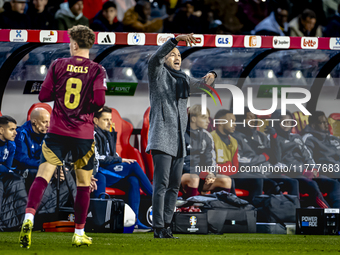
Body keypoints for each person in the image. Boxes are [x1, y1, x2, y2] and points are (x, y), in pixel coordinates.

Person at [19, 25, 106, 249]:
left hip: (57, 132)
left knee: (42, 176)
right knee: (84, 184)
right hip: (83, 135)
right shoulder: (97, 69)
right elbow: (100, 102)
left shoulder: (58, 65)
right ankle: (79, 233)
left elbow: (43, 95)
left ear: (75, 44)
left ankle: (28, 219)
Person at [147, 33, 216, 239]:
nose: (177, 57)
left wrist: (212, 75)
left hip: (178, 142)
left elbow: (203, 85)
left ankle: (167, 226)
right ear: (165, 57)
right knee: (161, 185)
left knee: (174, 186)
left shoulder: (184, 78)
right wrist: (175, 40)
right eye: (172, 55)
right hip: (161, 139)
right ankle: (157, 227)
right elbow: (154, 59)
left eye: (179, 55)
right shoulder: (157, 74)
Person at [93, 106, 152, 230]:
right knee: (133, 165)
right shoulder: (92, 134)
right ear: (95, 121)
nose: (109, 122)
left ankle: (134, 221)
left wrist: (113, 138)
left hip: (109, 171)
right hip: (100, 170)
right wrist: (120, 160)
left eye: (110, 119)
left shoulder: (107, 133)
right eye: (105, 119)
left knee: (133, 181)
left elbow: (112, 154)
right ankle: (155, 196)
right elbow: (97, 159)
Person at [271, 110, 340, 208]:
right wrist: (302, 171)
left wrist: (314, 168)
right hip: (292, 174)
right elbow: (277, 162)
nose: (287, 124)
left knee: (333, 184)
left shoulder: (297, 137)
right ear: (276, 123)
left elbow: (307, 155)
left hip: (306, 173)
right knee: (312, 186)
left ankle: (336, 211)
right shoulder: (272, 140)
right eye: (283, 122)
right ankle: (328, 213)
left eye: (289, 121)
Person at [232, 107, 299, 196]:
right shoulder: (235, 137)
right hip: (248, 173)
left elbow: (275, 158)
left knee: (293, 182)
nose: (252, 120)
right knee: (269, 185)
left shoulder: (260, 135)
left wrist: (274, 138)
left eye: (254, 118)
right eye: (249, 118)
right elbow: (241, 162)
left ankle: (294, 209)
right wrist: (263, 157)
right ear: (241, 120)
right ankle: (257, 209)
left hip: (267, 172)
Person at [211, 109, 263, 203]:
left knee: (257, 178)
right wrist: (227, 167)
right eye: (231, 121)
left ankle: (253, 212)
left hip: (232, 174)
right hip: (217, 176)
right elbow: (210, 165)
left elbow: (236, 166)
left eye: (235, 121)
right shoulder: (210, 139)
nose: (235, 124)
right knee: (230, 181)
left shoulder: (234, 141)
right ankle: (235, 208)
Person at [181, 105, 233, 199]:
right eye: (204, 118)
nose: (208, 121)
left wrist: (211, 174)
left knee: (226, 180)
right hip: (181, 176)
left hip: (200, 175)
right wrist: (200, 173)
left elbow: (211, 160)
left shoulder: (207, 136)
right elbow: (178, 163)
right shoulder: (180, 135)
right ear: (193, 119)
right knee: (194, 178)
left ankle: (220, 210)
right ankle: (189, 208)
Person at [0, 116, 28, 231]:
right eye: (11, 129)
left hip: (3, 175)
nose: (16, 133)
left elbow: (7, 167)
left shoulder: (11, 145)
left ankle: (20, 222)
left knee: (17, 180)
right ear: (1, 130)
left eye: (15, 129)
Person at [13, 108, 50, 192]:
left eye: (49, 122)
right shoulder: (21, 134)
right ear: (34, 121)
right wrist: (44, 165)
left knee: (65, 173)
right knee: (35, 172)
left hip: (40, 167)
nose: (48, 125)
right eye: (44, 122)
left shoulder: (47, 134)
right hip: (25, 170)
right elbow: (22, 160)